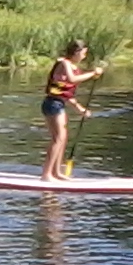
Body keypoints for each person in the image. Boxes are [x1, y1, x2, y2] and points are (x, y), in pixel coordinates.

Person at [41, 40, 104, 181]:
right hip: (52, 104)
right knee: (58, 138)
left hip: (58, 103)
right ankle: (46, 175)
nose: (84, 56)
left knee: (62, 138)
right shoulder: (64, 63)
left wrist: (80, 108)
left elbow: (64, 93)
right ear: (76, 52)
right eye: (83, 53)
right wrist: (93, 73)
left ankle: (56, 173)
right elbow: (72, 79)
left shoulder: (72, 67)